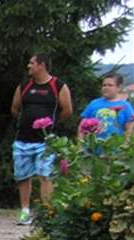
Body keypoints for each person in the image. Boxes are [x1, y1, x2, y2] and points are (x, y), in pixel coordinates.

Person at [10, 53, 73, 225]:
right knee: (23, 176)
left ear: (42, 65)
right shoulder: (24, 86)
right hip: (22, 139)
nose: (28, 66)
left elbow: (67, 110)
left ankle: (47, 213)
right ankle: (24, 212)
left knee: (45, 175)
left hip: (45, 141)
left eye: (31, 63)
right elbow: (15, 108)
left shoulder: (58, 86)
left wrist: (51, 124)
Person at [78, 73, 134, 142]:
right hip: (93, 149)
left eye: (110, 85)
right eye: (104, 85)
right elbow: (82, 126)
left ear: (118, 88)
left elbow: (129, 130)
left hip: (116, 150)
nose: (106, 87)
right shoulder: (94, 104)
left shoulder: (126, 106)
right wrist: (80, 145)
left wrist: (126, 145)